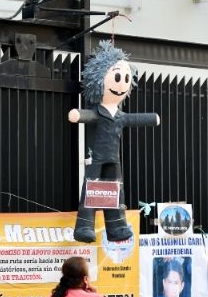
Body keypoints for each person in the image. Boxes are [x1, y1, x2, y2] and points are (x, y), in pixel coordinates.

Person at [69, 41, 160, 243]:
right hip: (97, 158)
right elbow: (86, 115)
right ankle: (84, 225)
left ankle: (117, 226)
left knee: (115, 191)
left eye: (125, 78)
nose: (121, 83)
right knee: (91, 189)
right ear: (98, 80)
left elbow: (134, 119)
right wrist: (78, 114)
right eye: (117, 76)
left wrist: (152, 118)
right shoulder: (98, 112)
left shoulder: (119, 115)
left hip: (113, 159)